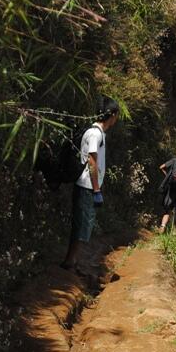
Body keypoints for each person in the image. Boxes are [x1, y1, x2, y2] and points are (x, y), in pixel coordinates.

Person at [61, 97, 120, 271]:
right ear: (112, 115)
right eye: (116, 116)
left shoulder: (98, 133)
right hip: (87, 186)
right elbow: (92, 161)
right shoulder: (95, 134)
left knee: (83, 224)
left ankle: (72, 261)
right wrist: (96, 189)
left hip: (89, 185)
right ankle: (70, 262)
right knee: (82, 225)